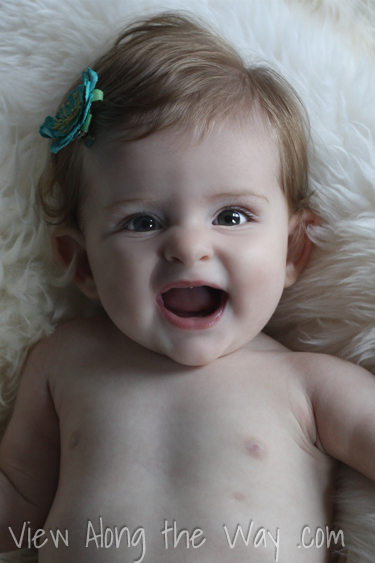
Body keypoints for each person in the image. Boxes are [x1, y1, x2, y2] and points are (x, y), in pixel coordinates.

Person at [0, 11, 374, 563]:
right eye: (142, 222)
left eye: (232, 216)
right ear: (81, 265)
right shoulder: (62, 361)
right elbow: (17, 504)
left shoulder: (311, 386)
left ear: (293, 250)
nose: (188, 247)